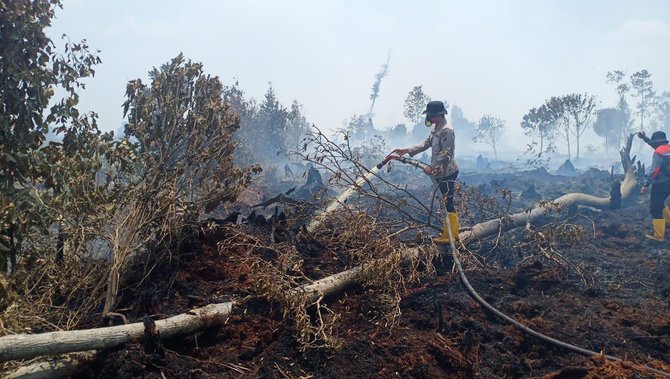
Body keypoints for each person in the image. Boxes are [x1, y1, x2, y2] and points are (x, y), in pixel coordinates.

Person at [392, 100, 459, 244]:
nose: (428, 119)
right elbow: (426, 143)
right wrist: (407, 150)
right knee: (444, 202)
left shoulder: (447, 130)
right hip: (439, 172)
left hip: (447, 172)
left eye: (430, 116)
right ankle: (450, 232)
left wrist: (432, 166)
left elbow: (447, 154)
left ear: (438, 115)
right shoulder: (437, 128)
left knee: (447, 202)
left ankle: (451, 236)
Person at [639, 131, 670, 241]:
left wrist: (646, 185)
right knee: (660, 202)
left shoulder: (658, 152)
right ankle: (668, 222)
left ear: (656, 142)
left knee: (655, 207)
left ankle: (659, 236)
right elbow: (654, 145)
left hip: (660, 183)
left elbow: (654, 170)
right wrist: (644, 138)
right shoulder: (667, 148)